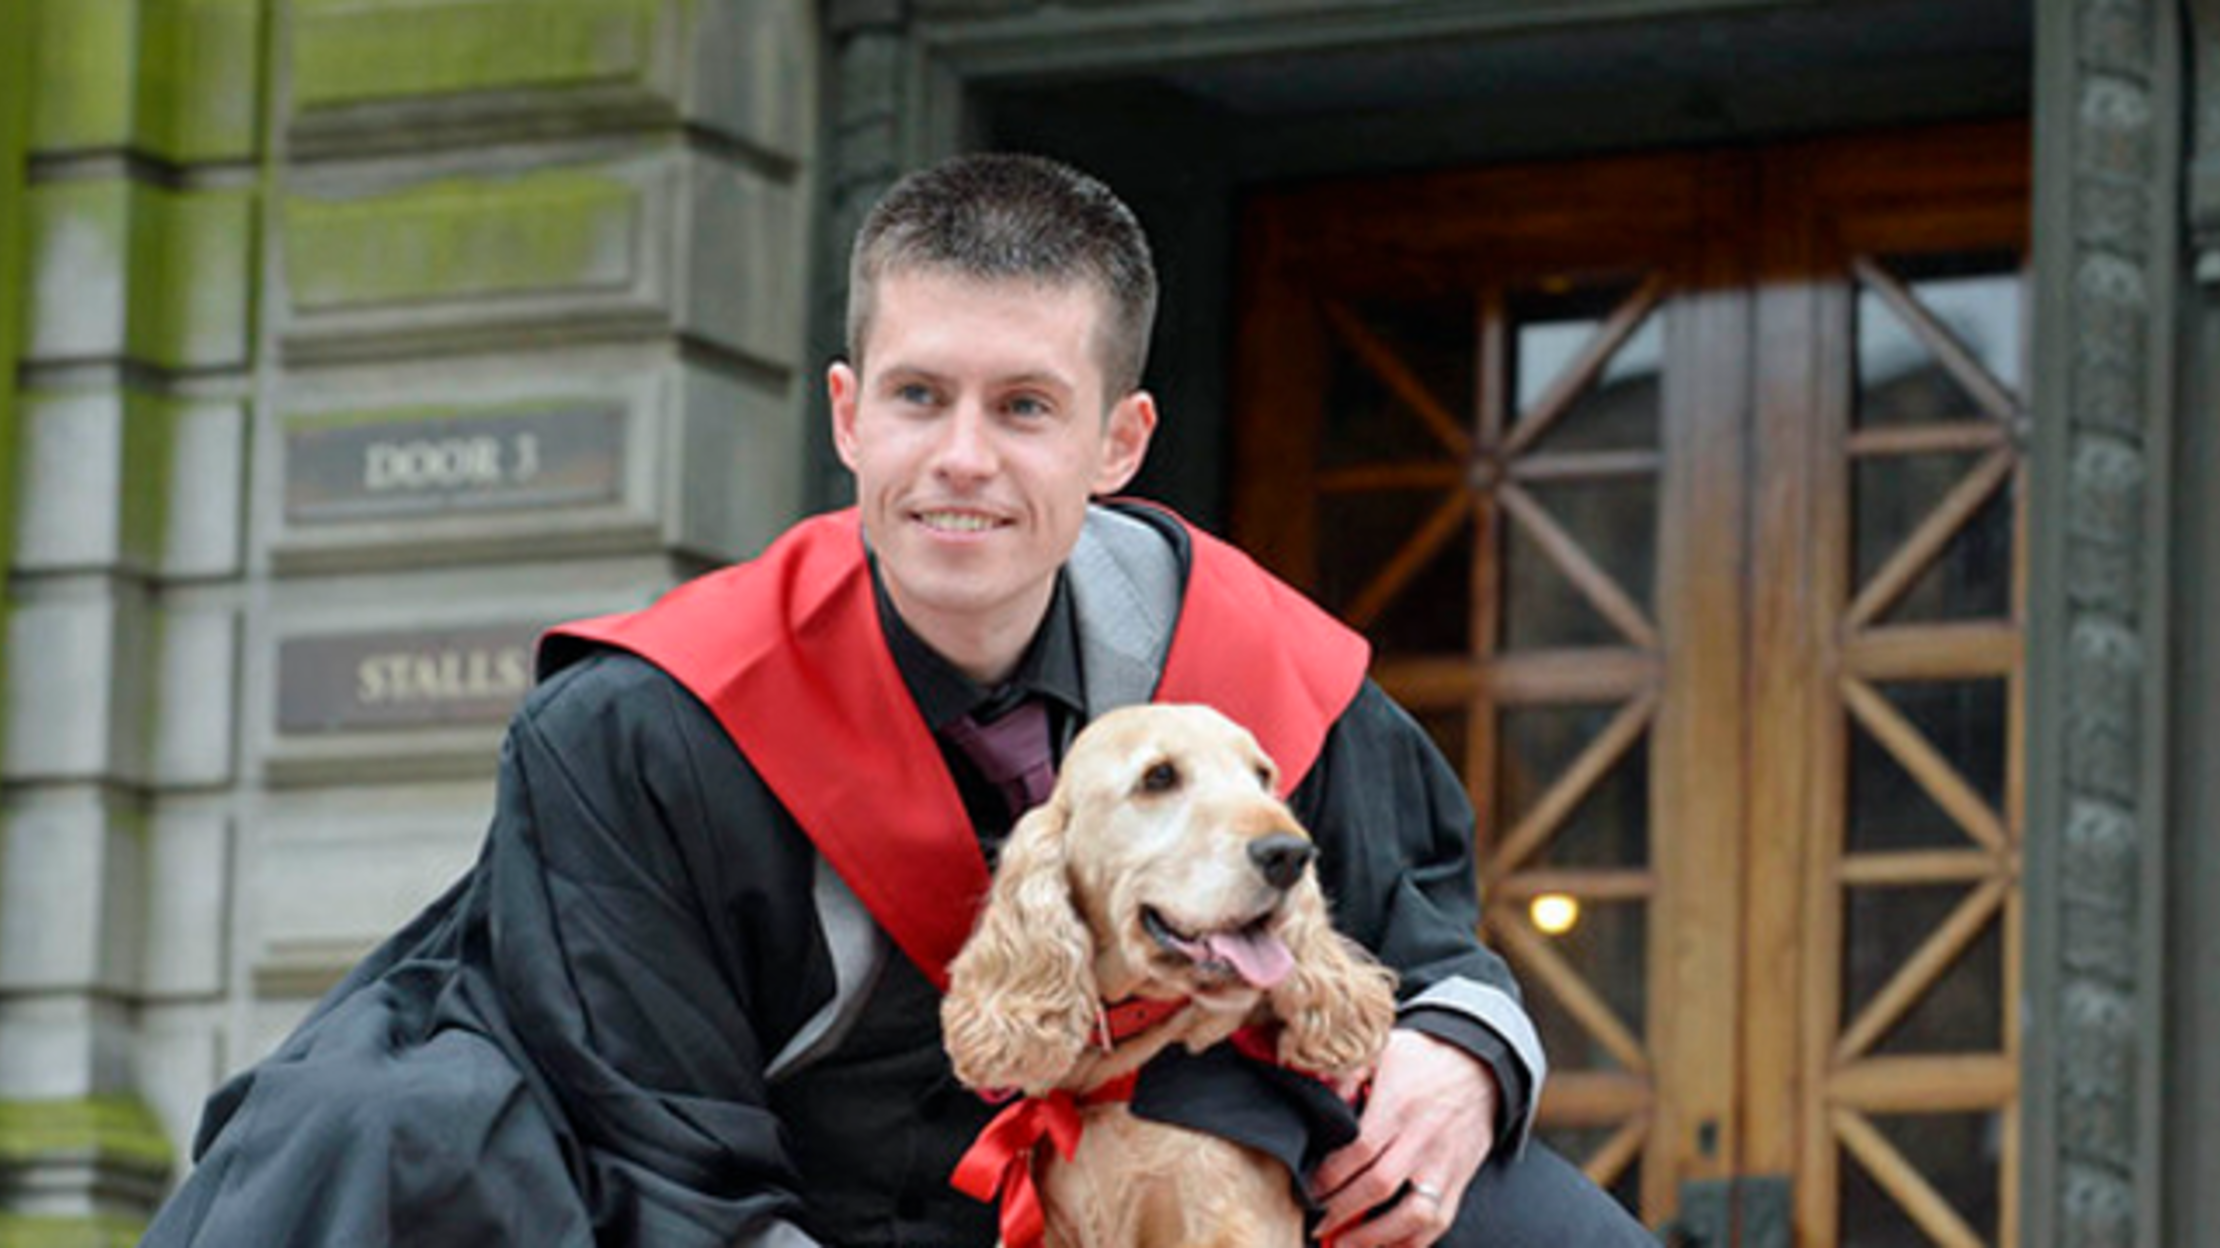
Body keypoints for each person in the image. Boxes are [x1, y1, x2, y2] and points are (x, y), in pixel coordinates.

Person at [141, 154, 1652, 1247]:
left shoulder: (1249, 665)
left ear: (1119, 443)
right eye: (920, 397)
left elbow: (1418, 927)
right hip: (773, 1205)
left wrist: (1465, 1060)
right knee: (412, 1135)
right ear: (849, 415)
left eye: (1026, 407)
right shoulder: (646, 728)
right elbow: (648, 1134)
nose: (963, 460)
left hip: (1151, 1187)